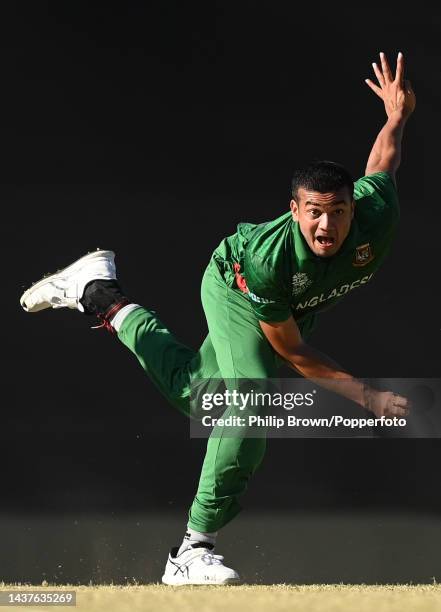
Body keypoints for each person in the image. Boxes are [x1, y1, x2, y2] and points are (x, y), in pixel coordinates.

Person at [20, 51, 416, 585]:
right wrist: (366, 397)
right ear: (294, 210)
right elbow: (294, 351)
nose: (327, 225)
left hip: (291, 306)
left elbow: (381, 168)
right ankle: (192, 549)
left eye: (338, 211)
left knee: (197, 395)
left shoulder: (378, 215)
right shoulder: (269, 258)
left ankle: (97, 292)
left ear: (354, 208)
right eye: (314, 212)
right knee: (247, 402)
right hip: (237, 284)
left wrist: (395, 117)